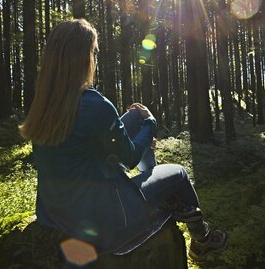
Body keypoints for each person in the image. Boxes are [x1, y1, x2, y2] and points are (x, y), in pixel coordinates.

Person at [20, 19, 227, 262]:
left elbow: (85, 143)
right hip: (108, 222)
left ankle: (155, 186)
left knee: (134, 117)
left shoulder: (45, 104)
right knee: (179, 173)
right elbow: (129, 158)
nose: (94, 60)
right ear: (84, 57)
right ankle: (201, 239)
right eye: (93, 52)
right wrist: (150, 124)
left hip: (57, 214)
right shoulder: (94, 104)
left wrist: (136, 119)